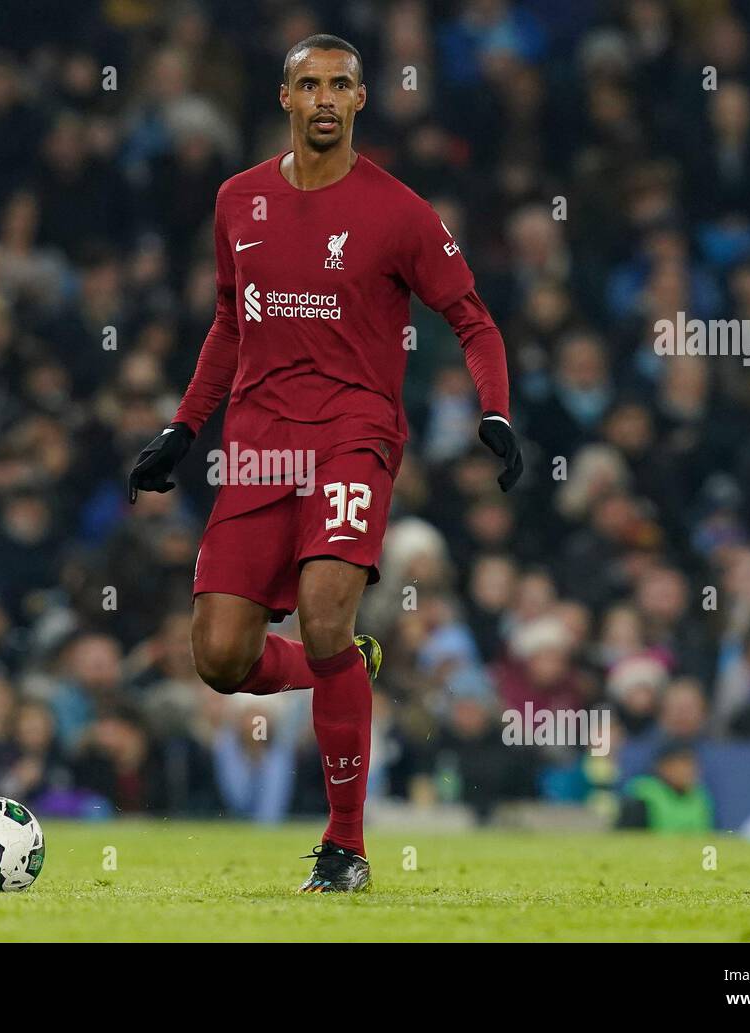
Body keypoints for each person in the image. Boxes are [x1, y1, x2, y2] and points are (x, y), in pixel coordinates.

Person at [127, 34, 521, 892]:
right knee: (220, 658)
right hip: (258, 445)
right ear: (285, 99)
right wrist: (185, 428)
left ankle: (346, 847)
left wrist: (493, 408)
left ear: (361, 99)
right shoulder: (238, 201)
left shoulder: (401, 212)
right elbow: (230, 325)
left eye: (342, 84)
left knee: (322, 611)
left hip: (354, 433)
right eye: (310, 85)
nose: (326, 99)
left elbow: (473, 318)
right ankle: (346, 667)